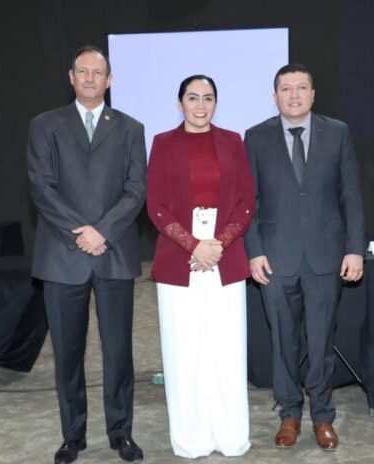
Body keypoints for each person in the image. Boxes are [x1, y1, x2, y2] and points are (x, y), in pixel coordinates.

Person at [26, 45, 146, 464]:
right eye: (83, 71)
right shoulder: (45, 125)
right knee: (67, 355)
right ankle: (72, 437)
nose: (91, 78)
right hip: (63, 256)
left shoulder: (130, 128)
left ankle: (121, 434)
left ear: (109, 80)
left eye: (99, 72)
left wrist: (103, 232)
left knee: (119, 354)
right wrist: (82, 234)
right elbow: (41, 188)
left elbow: (136, 190)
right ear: (71, 77)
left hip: (114, 253)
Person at [244, 63, 365, 451]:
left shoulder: (338, 132)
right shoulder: (256, 137)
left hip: (326, 257)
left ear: (313, 95)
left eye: (301, 88)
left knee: (321, 340)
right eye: (286, 88)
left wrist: (355, 249)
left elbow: (351, 196)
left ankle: (323, 416)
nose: (293, 95)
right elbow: (248, 203)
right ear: (274, 96)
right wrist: (254, 251)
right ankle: (290, 414)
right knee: (283, 342)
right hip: (275, 259)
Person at [146, 75, 255, 459]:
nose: (200, 105)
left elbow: (246, 202)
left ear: (216, 103)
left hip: (225, 255)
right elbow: (156, 205)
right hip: (180, 257)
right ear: (180, 104)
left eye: (208, 98)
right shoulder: (163, 143)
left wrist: (218, 243)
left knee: (226, 350)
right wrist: (194, 245)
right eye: (192, 98)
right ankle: (190, 438)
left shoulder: (233, 141)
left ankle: (230, 435)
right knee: (184, 350)